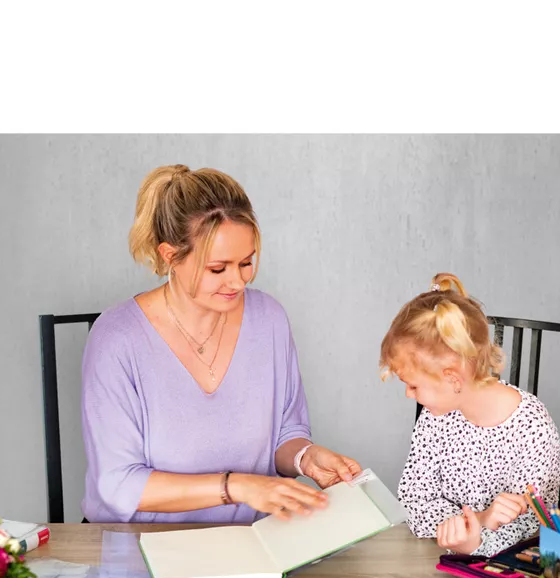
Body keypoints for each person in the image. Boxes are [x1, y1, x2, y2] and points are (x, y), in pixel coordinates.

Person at [81, 164, 361, 524]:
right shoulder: (117, 339)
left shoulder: (269, 319)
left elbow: (285, 432)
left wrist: (304, 457)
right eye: (217, 269)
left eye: (246, 263)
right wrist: (236, 487)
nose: (238, 282)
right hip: (141, 547)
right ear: (170, 255)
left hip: (252, 542)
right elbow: (119, 484)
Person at [379, 273, 560, 557]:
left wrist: (473, 543)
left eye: (413, 385)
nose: (408, 394)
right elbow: (414, 504)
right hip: (439, 562)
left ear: (452, 379)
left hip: (513, 570)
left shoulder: (531, 427)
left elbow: (527, 524)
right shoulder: (435, 419)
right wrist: (480, 520)